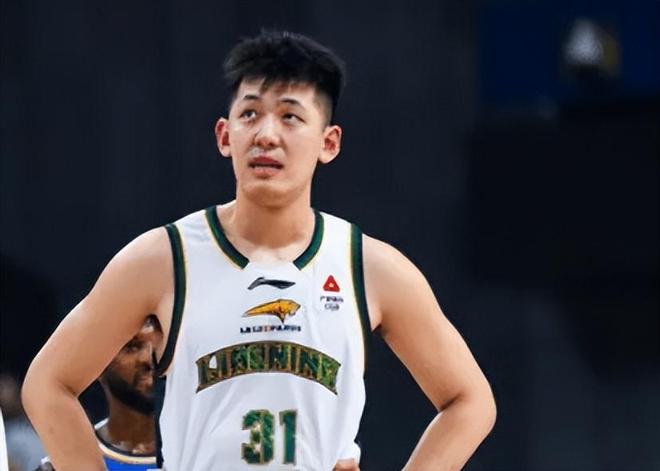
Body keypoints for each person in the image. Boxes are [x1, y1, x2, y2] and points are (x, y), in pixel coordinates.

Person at [22, 30, 496, 470]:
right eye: (250, 114)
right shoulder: (161, 259)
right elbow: (48, 384)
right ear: (224, 136)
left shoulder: (369, 266)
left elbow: (470, 401)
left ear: (328, 143)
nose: (266, 134)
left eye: (290, 116)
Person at [35, 316, 162, 471]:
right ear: (97, 366)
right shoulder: (61, 465)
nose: (148, 358)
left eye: (157, 345)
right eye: (132, 347)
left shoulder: (190, 441)